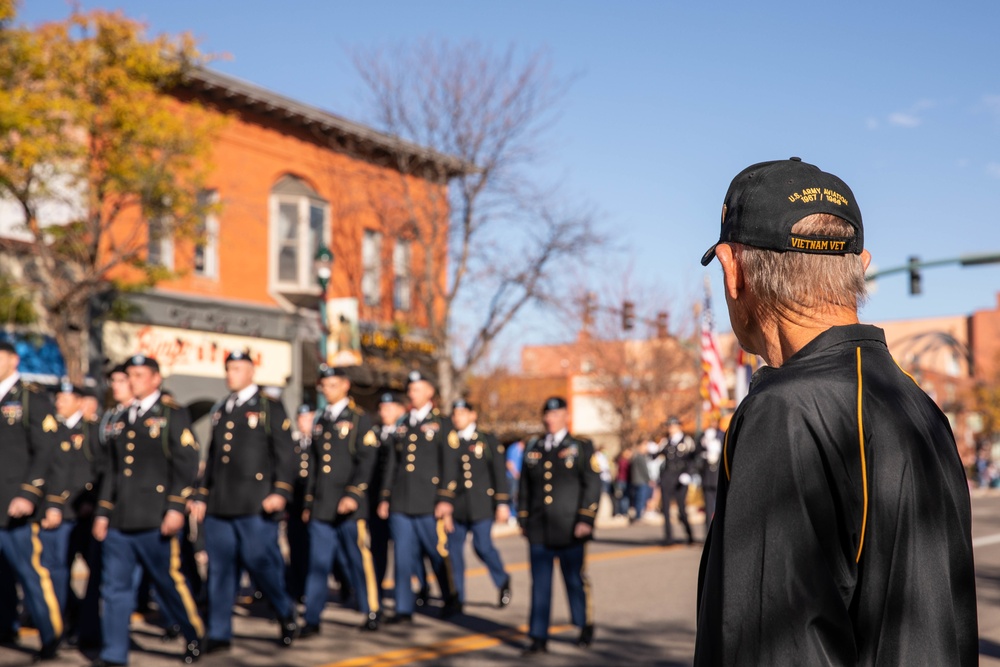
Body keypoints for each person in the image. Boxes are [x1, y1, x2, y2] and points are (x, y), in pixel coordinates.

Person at [695, 157, 977, 665]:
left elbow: (774, 645)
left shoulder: (783, 412)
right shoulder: (916, 404)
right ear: (861, 266)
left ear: (731, 269)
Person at [92, 354, 204, 666]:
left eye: (140, 375)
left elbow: (186, 463)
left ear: (156, 378)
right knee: (114, 588)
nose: (133, 380)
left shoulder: (170, 413)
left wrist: (176, 508)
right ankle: (114, 653)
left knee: (167, 582)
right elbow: (112, 471)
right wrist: (103, 512)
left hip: (155, 517)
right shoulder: (119, 418)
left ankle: (194, 633)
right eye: (129, 375)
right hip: (120, 519)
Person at [188, 350, 298, 653]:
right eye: (228, 368)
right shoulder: (223, 408)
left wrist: (281, 491)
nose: (231, 374)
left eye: (237, 368)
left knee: (261, 563)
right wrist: (201, 494)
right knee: (221, 571)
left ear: (251, 371)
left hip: (256, 503)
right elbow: (212, 457)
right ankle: (220, 632)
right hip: (222, 504)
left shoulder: (269, 406)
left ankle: (285, 611)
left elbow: (285, 453)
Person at [300, 365, 380, 636]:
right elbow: (313, 464)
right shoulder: (321, 420)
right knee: (318, 563)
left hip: (348, 506)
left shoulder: (359, 418)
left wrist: (354, 494)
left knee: (358, 559)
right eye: (324, 385)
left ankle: (371, 609)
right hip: (323, 505)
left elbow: (367, 460)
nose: (326, 389)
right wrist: (309, 502)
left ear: (345, 385)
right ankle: (312, 617)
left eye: (332, 384)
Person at [518, 396, 601, 655]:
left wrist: (586, 519)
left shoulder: (581, 446)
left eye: (555, 414)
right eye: (547, 415)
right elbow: (524, 487)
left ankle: (583, 623)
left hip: (571, 527)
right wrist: (523, 518)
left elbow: (593, 483)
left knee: (574, 580)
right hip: (539, 528)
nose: (550, 419)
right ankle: (538, 636)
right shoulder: (533, 446)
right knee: (540, 585)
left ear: (565, 415)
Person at [377, 369, 460, 623]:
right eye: (410, 389)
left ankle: (451, 597)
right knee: (403, 557)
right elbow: (392, 463)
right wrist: (385, 496)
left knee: (437, 554)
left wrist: (445, 498)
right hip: (402, 501)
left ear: (430, 392)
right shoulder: (402, 424)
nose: (412, 393)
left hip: (429, 502)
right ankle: (404, 608)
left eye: (417, 389)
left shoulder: (442, 423)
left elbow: (450, 462)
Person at [0, 341, 64, 661]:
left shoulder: (30, 396)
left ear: (13, 360)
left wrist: (29, 493)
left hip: (17, 505)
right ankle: (5, 626)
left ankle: (51, 636)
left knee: (31, 574)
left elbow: (47, 449)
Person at [41, 380, 103, 642]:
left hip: (83, 514)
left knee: (95, 571)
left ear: (79, 401)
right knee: (55, 569)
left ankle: (88, 626)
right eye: (58, 398)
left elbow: (100, 469)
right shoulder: (51, 430)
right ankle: (65, 619)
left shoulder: (91, 431)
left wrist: (92, 500)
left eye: (65, 398)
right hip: (57, 513)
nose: (59, 402)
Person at [446, 399, 512, 609]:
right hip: (457, 506)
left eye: (463, 413)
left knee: (482, 546)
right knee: (454, 552)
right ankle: (457, 597)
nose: (458, 417)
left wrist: (502, 503)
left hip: (482, 504)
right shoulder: (449, 441)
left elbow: (499, 473)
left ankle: (502, 580)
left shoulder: (487, 440)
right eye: (455, 413)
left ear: (473, 415)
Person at [370, 391, 407, 603]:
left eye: (389, 408)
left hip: (402, 500)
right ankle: (377, 592)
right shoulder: (373, 434)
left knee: (406, 551)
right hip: (376, 501)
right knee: (378, 548)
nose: (384, 412)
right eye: (382, 408)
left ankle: (420, 587)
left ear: (401, 410)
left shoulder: (407, 433)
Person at [286, 403, 314, 602]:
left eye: (309, 418)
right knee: (296, 548)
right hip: (295, 505)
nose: (304, 423)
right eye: (301, 419)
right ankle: (297, 589)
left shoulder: (320, 442)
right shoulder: (292, 444)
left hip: (314, 504)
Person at [654, 417, 697, 545]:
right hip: (667, 476)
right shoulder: (666, 441)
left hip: (681, 476)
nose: (670, 428)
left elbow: (693, 459)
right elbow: (656, 456)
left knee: (681, 508)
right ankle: (669, 538)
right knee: (665, 508)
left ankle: (689, 534)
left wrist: (688, 473)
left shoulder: (687, 440)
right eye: (669, 426)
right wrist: (653, 449)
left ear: (679, 426)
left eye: (673, 425)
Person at [697, 417, 724, 523]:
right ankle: (708, 531)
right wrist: (704, 445)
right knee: (708, 506)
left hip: (718, 474)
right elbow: (696, 452)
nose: (713, 423)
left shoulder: (723, 435)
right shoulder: (705, 435)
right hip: (707, 474)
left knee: (720, 505)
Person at [628, 441, 652, 521]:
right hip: (641, 481)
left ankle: (638, 514)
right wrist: (648, 479)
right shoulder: (640, 457)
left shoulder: (634, 456)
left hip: (635, 480)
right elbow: (644, 470)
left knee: (637, 498)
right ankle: (638, 515)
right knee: (640, 498)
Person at [505, 439, 524, 519]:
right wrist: (515, 473)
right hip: (512, 476)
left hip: (518, 476)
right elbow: (509, 463)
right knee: (512, 495)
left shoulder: (521, 451)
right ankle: (511, 514)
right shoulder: (513, 449)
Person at [612, 447, 631, 517]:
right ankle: (619, 512)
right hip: (620, 481)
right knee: (619, 497)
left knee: (625, 497)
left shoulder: (627, 461)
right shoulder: (622, 461)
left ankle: (624, 512)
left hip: (625, 481)